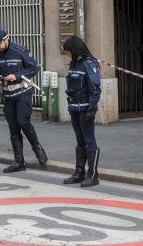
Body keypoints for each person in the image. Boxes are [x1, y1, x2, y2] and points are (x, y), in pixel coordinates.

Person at [0, 29, 48, 173]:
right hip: (8, 94)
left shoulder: (20, 51)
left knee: (23, 122)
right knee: (13, 127)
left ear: (6, 40)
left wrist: (17, 75)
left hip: (22, 91)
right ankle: (18, 161)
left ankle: (39, 150)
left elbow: (34, 68)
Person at [62, 36, 102, 187]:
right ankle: (79, 172)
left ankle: (93, 175)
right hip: (74, 107)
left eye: (68, 51)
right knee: (80, 140)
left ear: (75, 50)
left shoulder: (89, 64)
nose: (67, 54)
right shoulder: (73, 64)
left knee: (89, 140)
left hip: (85, 107)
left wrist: (92, 108)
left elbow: (95, 88)